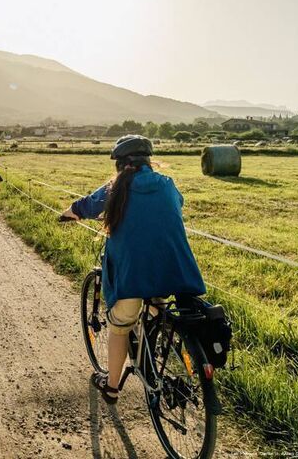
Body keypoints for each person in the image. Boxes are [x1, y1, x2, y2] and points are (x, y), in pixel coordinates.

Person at [60, 135, 206, 404]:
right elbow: (179, 203)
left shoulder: (115, 188)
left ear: (121, 164)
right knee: (157, 306)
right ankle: (162, 347)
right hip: (174, 271)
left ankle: (112, 387)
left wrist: (68, 213)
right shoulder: (167, 183)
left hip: (132, 276)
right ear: (148, 161)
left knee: (120, 326)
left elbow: (86, 206)